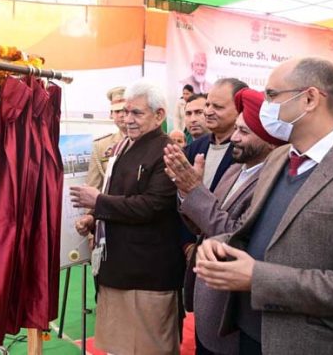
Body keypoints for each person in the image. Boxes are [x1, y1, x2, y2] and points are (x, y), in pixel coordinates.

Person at [195, 57, 333, 354]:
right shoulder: (279, 158)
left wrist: (258, 278)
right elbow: (253, 232)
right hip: (245, 335)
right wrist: (218, 244)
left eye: (272, 95)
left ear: (309, 99)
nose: (265, 105)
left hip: (307, 343)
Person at [70, 81, 189, 355]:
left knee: (148, 348)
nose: (128, 119)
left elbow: (153, 205)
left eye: (137, 113)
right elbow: (118, 193)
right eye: (125, 112)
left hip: (147, 273)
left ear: (159, 115)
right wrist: (93, 217)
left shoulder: (166, 150)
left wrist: (98, 202)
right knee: (120, 348)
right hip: (119, 268)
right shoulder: (125, 146)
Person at [165, 88, 284, 355]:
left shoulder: (273, 181)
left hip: (232, 315)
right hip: (208, 305)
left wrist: (195, 190)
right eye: (237, 129)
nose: (234, 138)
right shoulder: (234, 170)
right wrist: (186, 191)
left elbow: (234, 236)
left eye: (244, 132)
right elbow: (204, 225)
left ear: (270, 140)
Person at [187, 79, 248, 191]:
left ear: (240, 109)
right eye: (207, 105)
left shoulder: (247, 151)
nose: (208, 112)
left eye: (218, 107)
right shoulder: (194, 148)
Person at [86, 86, 127, 190]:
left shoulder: (147, 142)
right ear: (111, 115)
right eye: (117, 111)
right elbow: (93, 187)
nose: (122, 115)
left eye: (125, 110)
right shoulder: (101, 145)